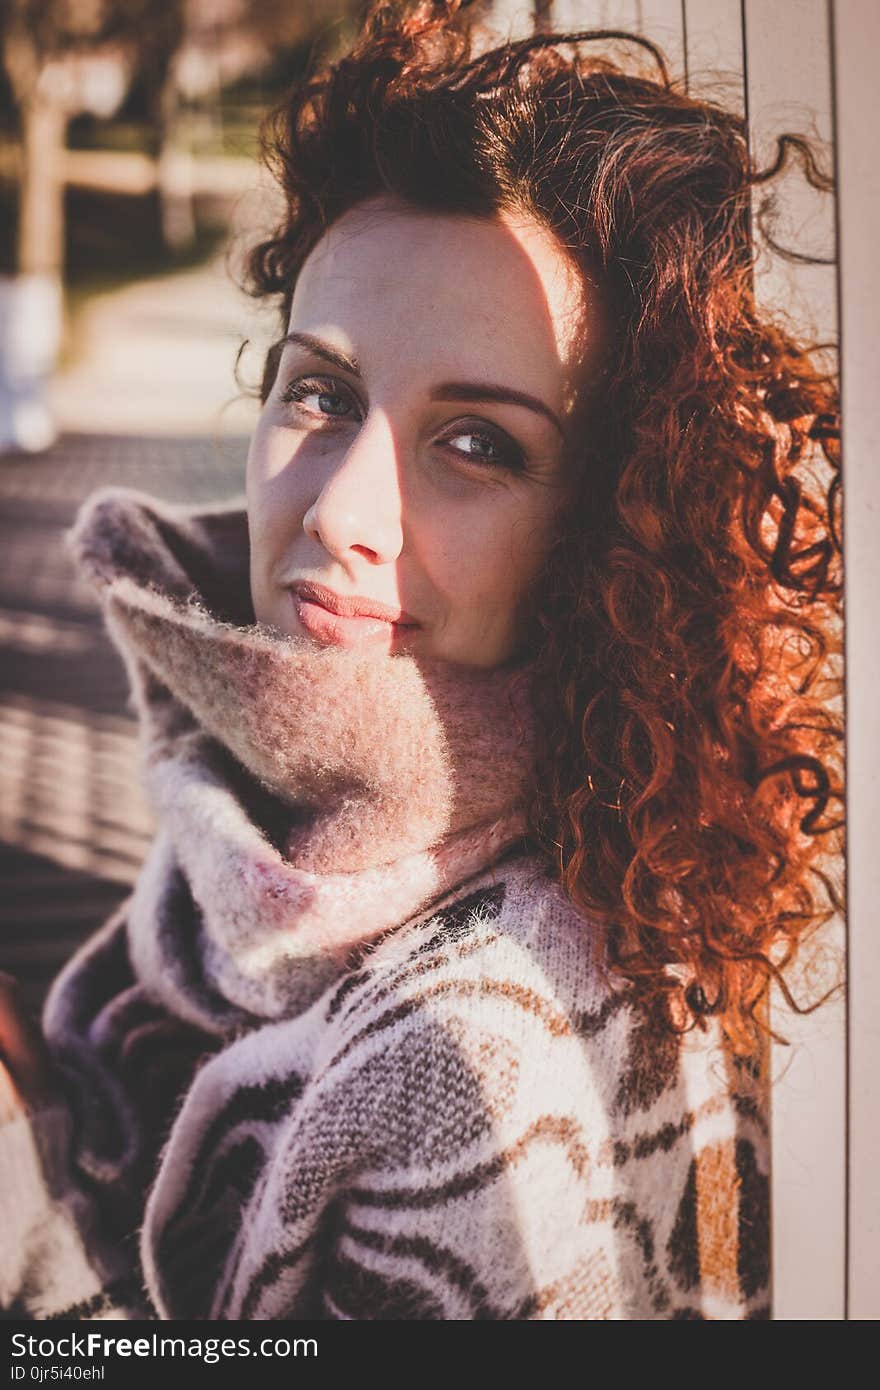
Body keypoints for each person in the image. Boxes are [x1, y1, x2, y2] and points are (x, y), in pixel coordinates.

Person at [0, 0, 841, 1320]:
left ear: (605, 526)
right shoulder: (260, 802)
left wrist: (19, 1215)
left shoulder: (480, 1067)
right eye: (321, 392)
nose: (336, 513)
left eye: (478, 444)